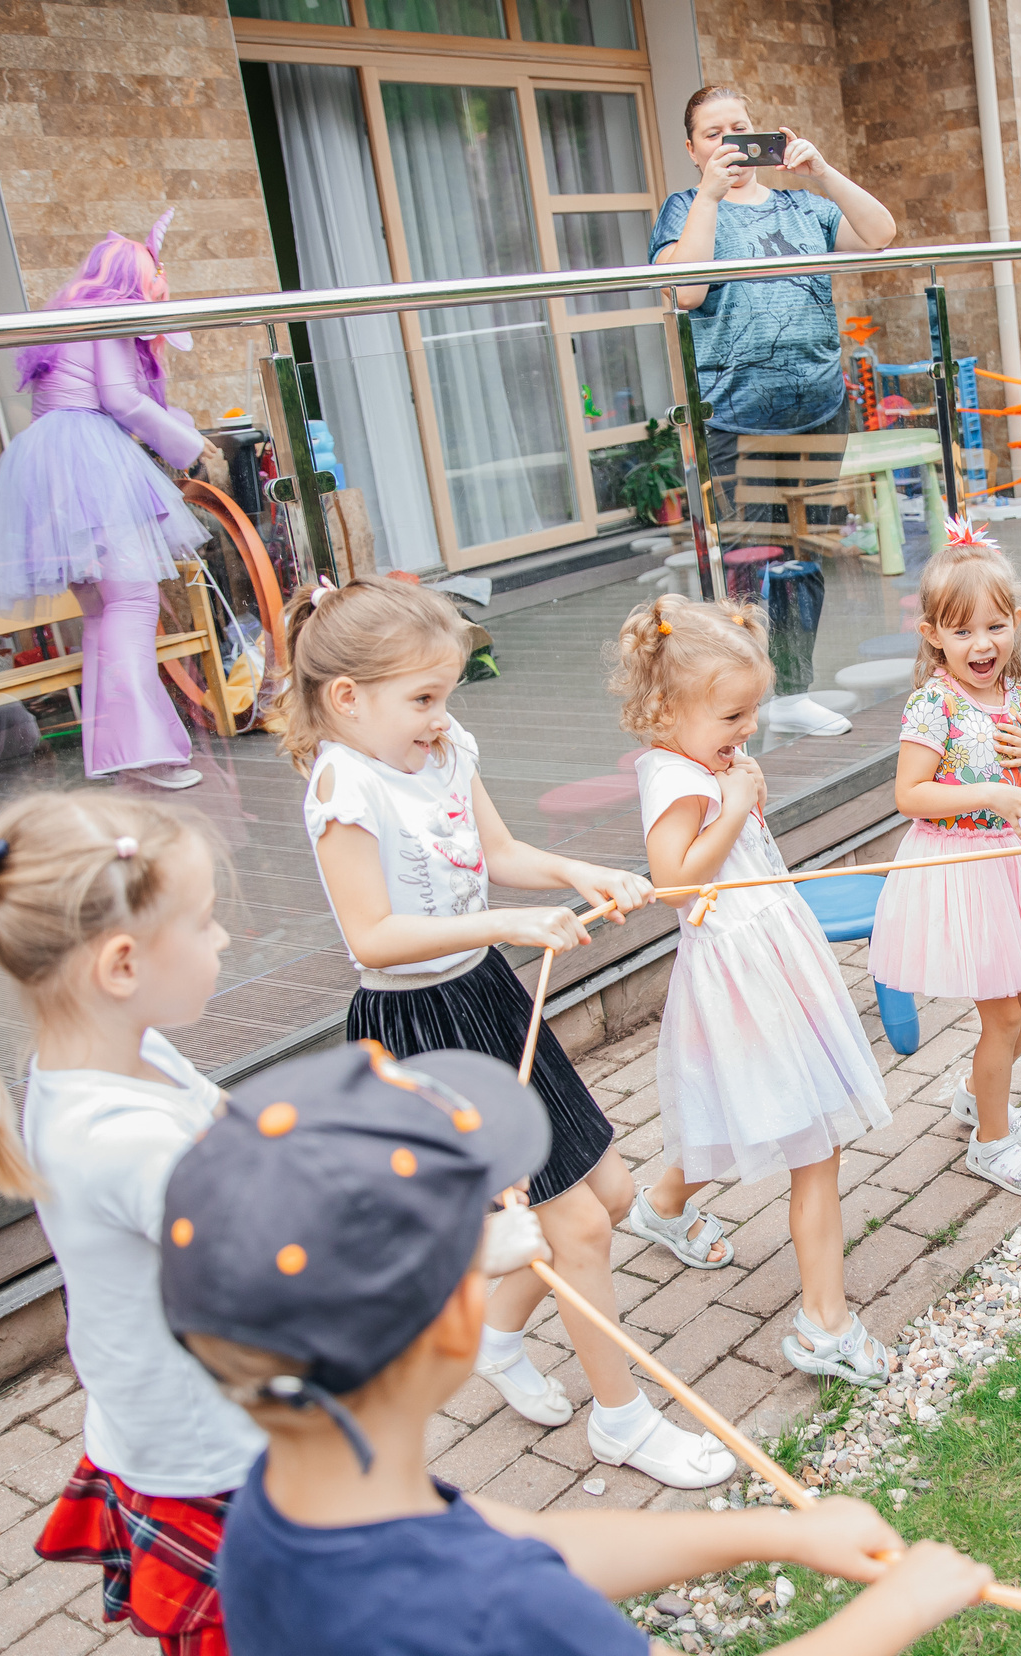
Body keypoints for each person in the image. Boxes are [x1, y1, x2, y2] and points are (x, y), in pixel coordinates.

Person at [163, 1043, 993, 1656]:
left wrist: (774, 1533)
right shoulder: (491, 1610)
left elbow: (527, 1540)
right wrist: (904, 1605)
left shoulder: (279, 1508)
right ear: (454, 1320)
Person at [276, 577, 733, 1490]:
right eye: (422, 699)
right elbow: (373, 937)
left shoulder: (443, 747)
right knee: (575, 1228)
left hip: (484, 992)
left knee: (602, 1193)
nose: (439, 719)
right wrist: (504, 925)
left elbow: (502, 855)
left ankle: (494, 1332)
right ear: (346, 698)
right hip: (419, 1024)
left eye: (444, 696)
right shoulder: (343, 784)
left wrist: (582, 870)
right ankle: (624, 1420)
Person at [0, 792, 256, 1656]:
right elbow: (283, 1268)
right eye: (207, 924)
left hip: (176, 1409)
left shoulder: (116, 1057)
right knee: (322, 1645)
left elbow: (238, 1138)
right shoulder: (124, 1142)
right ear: (123, 963)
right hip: (221, 1444)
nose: (223, 942)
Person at [606, 595, 896, 1385]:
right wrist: (733, 807)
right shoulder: (676, 776)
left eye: (751, 711)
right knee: (812, 1138)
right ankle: (823, 1323)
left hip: (768, 953)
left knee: (742, 1112)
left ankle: (663, 1206)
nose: (748, 730)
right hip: (741, 970)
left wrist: (739, 795)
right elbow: (673, 882)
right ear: (668, 709)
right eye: (733, 714)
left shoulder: (704, 762)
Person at [652, 85, 897, 740]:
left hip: (818, 407)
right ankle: (740, 704)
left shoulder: (803, 204)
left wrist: (823, 171)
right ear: (692, 148)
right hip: (737, 416)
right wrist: (707, 194)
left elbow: (880, 233)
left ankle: (793, 692)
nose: (730, 142)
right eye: (714, 133)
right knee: (746, 567)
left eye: (741, 128)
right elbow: (685, 289)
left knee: (803, 560)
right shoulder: (683, 207)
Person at [869, 525, 1021, 1200]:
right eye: (961, 633)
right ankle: (991, 1143)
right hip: (962, 870)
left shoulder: (1013, 691)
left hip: (1011, 864)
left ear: (1016, 620)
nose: (981, 645)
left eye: (994, 626)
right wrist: (985, 792)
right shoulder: (935, 704)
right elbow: (909, 794)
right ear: (933, 635)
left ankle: (976, 1095)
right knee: (1004, 1017)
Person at [0, 215, 208, 790]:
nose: (164, 277)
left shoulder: (70, 319)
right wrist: (186, 444)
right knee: (132, 604)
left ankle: (118, 752)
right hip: (90, 461)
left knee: (104, 614)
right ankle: (144, 753)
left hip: (49, 467)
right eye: (157, 270)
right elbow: (123, 400)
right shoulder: (108, 319)